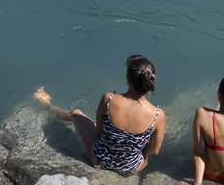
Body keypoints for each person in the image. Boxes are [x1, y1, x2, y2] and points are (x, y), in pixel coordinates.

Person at [34, 54, 166, 176]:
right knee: (146, 143)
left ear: (128, 79)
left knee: (76, 113)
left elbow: (99, 131)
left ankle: (47, 106)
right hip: (131, 168)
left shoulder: (109, 99)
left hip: (99, 160)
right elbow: (154, 151)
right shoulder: (158, 115)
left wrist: (116, 135)